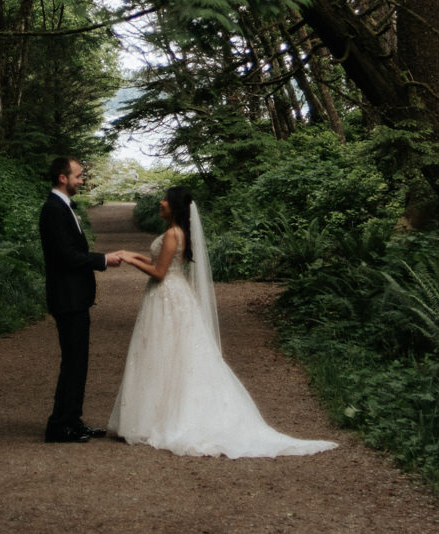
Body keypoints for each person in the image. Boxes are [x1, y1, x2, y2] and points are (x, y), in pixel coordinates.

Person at [107, 187, 336, 458]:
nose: (161, 202)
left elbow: (159, 272)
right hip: (174, 295)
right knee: (172, 353)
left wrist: (130, 262)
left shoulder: (172, 233)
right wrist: (130, 253)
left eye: (166, 199)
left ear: (175, 206)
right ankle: (159, 413)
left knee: (163, 352)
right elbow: (161, 261)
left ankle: (157, 417)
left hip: (167, 295)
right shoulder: (176, 232)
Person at [39, 156, 124, 443]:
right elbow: (65, 256)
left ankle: (72, 421)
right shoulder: (52, 210)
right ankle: (60, 425)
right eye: (78, 175)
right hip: (67, 297)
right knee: (73, 361)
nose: (82, 179)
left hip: (74, 297)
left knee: (78, 361)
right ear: (62, 178)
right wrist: (102, 259)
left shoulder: (62, 208)